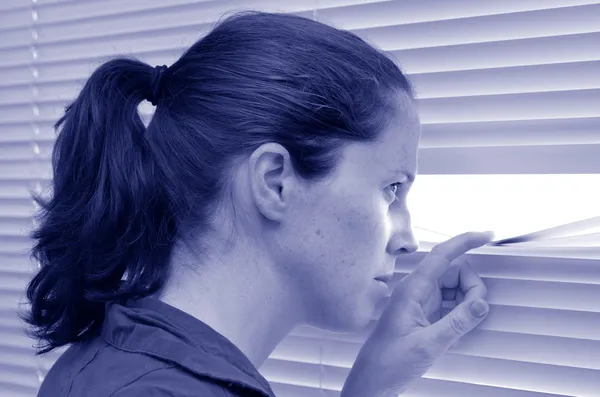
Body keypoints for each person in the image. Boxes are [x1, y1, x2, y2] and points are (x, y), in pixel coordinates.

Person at [21, 10, 494, 397]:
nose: (408, 240)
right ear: (275, 182)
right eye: (391, 189)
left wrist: (371, 384)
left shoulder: (112, 357)